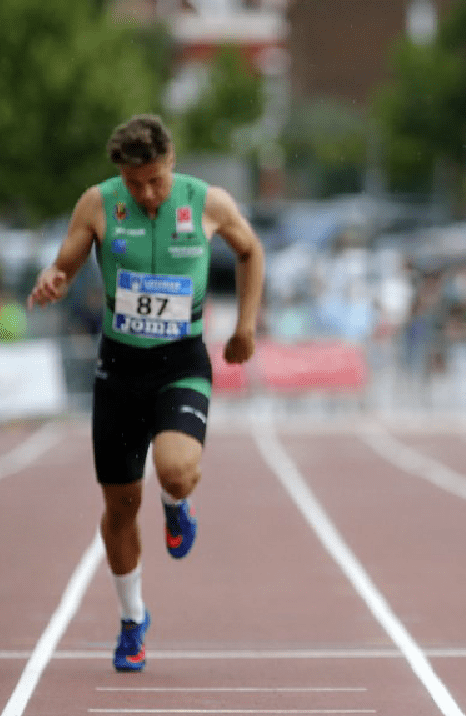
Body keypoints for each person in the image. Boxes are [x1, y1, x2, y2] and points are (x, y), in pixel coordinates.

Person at [27, 114, 265, 672]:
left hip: (180, 361)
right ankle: (132, 620)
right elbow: (65, 261)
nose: (146, 194)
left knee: (176, 468)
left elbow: (250, 251)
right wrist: (55, 277)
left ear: (171, 163)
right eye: (135, 185)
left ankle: (176, 503)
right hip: (119, 369)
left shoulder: (207, 202)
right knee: (118, 505)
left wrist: (246, 328)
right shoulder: (98, 204)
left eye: (155, 181)